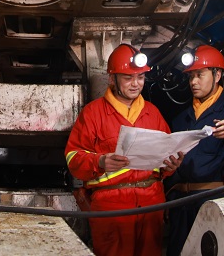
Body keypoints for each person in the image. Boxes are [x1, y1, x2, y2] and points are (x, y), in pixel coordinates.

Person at [65, 44, 183, 256]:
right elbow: (73, 158)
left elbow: (164, 157)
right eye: (128, 78)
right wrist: (100, 161)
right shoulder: (93, 113)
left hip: (151, 203)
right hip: (112, 206)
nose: (135, 84)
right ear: (112, 79)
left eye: (140, 77)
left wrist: (171, 166)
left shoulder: (152, 113)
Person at [165, 45, 224, 255]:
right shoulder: (181, 119)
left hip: (213, 202)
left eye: (200, 75)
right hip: (181, 205)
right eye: (191, 76)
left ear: (217, 75)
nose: (193, 82)